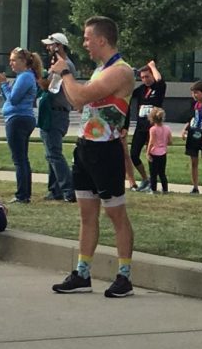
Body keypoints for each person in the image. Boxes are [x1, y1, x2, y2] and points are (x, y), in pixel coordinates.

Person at [49, 16, 137, 298]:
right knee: (87, 215)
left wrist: (66, 74)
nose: (84, 43)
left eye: (88, 38)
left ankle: (124, 276)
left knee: (116, 214)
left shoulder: (121, 71)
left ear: (101, 39)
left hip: (106, 149)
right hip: (86, 146)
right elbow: (81, 101)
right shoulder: (101, 69)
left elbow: (79, 96)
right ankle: (82, 273)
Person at [0, 47, 42, 204]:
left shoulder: (25, 77)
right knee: (22, 158)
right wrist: (4, 86)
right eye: (10, 60)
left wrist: (3, 84)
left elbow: (13, 100)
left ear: (23, 61)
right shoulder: (24, 77)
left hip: (18, 119)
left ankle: (22, 195)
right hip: (21, 118)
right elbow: (8, 98)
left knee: (19, 159)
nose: (11, 63)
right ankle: (24, 193)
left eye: (14, 60)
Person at [40, 32, 77, 202]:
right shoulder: (60, 64)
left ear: (58, 46)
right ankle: (55, 190)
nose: (48, 47)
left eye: (50, 45)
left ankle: (68, 190)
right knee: (51, 153)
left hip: (56, 112)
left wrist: (39, 76)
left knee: (54, 154)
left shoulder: (64, 65)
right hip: (57, 112)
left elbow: (51, 88)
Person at [125, 60, 165, 192]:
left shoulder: (158, 88)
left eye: (147, 76)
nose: (145, 80)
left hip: (153, 128)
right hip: (140, 127)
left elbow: (159, 80)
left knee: (151, 155)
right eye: (142, 77)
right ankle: (145, 178)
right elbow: (128, 92)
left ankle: (153, 185)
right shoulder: (141, 90)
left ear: (152, 75)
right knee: (134, 154)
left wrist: (153, 66)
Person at [146, 107, 172, 194]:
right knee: (162, 173)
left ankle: (153, 189)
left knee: (153, 173)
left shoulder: (152, 129)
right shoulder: (167, 128)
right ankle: (165, 189)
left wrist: (147, 152)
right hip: (163, 153)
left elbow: (151, 142)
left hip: (154, 153)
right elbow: (170, 141)